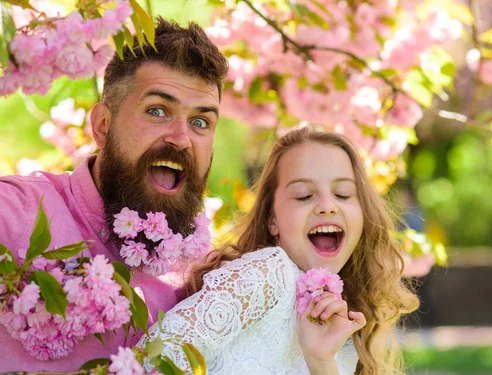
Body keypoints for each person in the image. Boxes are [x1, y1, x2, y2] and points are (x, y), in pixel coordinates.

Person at [0, 17, 228, 371]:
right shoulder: (15, 213)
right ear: (103, 126)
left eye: (201, 121)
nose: (181, 137)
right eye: (158, 111)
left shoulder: (204, 280)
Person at [138, 127, 420, 375]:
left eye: (343, 194)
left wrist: (320, 361)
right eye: (304, 196)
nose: (327, 205)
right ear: (273, 220)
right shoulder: (268, 272)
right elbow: (152, 360)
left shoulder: (347, 322)